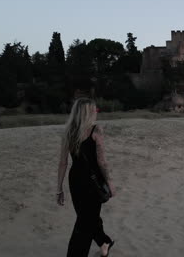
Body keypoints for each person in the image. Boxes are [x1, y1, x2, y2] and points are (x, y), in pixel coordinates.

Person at [56, 97, 116, 257]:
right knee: (85, 220)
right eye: (94, 110)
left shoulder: (68, 132)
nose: (96, 113)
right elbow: (102, 161)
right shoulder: (96, 130)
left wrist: (59, 188)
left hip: (75, 180)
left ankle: (104, 242)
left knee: (87, 217)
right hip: (93, 181)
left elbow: (63, 163)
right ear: (88, 113)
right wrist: (110, 183)